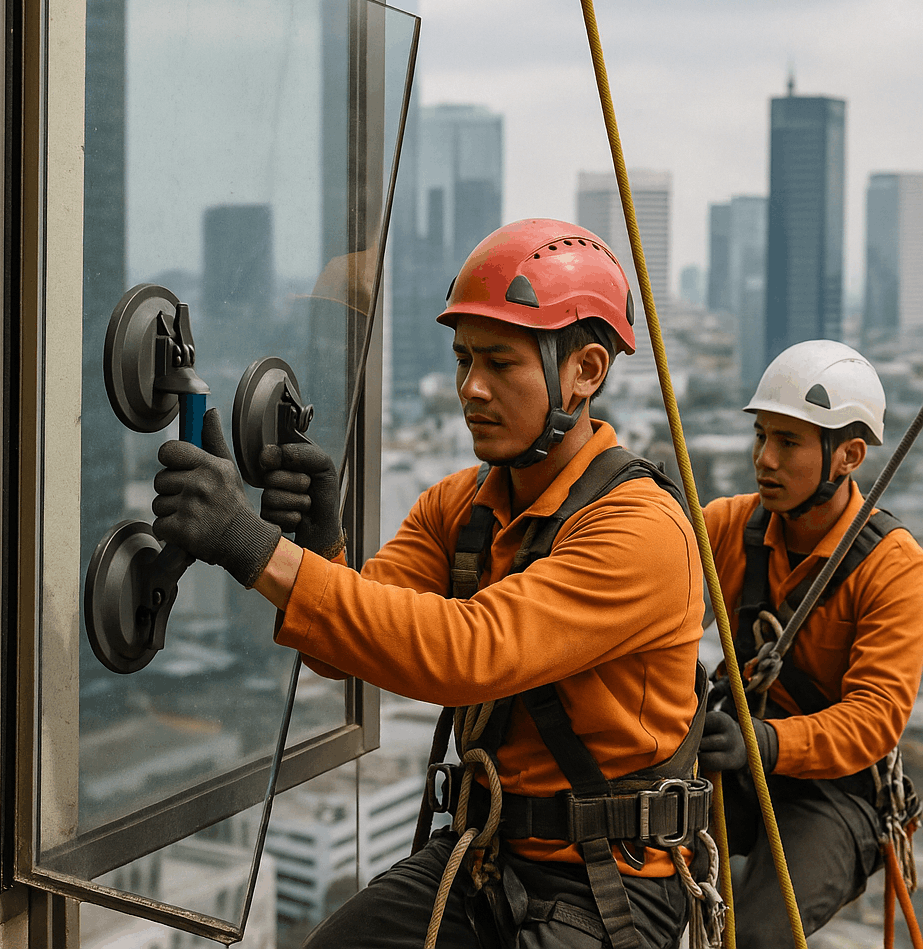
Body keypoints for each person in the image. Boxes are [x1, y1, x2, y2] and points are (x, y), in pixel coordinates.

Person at [152, 218, 708, 949]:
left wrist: (250, 546)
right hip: (484, 860)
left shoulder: (640, 531)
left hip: (611, 890)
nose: (470, 388)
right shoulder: (461, 505)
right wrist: (320, 546)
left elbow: (468, 653)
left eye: (500, 363)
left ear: (587, 370)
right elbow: (344, 649)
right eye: (463, 358)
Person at [698, 340, 923, 948]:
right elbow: (648, 590)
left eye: (788, 443)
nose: (763, 459)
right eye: (760, 436)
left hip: (836, 792)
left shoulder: (892, 565)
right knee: (636, 880)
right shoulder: (730, 526)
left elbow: (875, 720)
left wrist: (766, 741)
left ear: (848, 456)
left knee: (759, 937)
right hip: (741, 762)